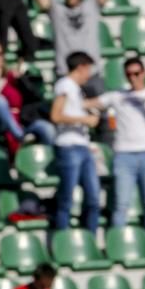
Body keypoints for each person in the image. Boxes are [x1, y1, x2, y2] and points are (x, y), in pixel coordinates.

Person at [11, 0, 137, 95]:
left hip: (91, 74)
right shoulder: (56, 9)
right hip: (65, 74)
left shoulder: (92, 5)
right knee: (64, 116)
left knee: (102, 115)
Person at [96, 57, 145, 240]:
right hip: (124, 156)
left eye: (137, 73)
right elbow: (91, 103)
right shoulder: (117, 96)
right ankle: (117, 244)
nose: (133, 78)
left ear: (143, 73)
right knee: (121, 206)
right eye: (129, 74)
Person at [51, 51, 101, 232]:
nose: (89, 75)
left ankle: (90, 243)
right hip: (69, 146)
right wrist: (84, 120)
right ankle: (63, 243)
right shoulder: (65, 85)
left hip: (82, 145)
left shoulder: (77, 90)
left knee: (93, 199)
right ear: (81, 67)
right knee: (66, 200)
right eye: (88, 69)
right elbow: (56, 115)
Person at [0, 40, 55, 149]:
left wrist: (22, 78)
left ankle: (50, 159)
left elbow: (33, 95)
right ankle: (19, 136)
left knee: (46, 128)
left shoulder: (13, 76)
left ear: (3, 56)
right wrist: (3, 78)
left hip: (21, 119)